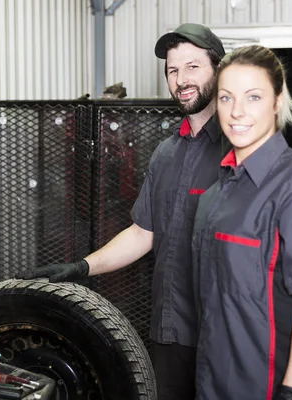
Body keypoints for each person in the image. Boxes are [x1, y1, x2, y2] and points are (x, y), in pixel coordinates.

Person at [18, 23, 228, 399]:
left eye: (193, 67)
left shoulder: (239, 147)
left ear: (218, 69)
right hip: (170, 331)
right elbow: (142, 233)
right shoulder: (166, 154)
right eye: (173, 70)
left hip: (224, 333)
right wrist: (81, 267)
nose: (181, 80)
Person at [191, 44, 292, 400]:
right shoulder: (219, 191)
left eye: (254, 97)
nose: (237, 112)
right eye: (227, 98)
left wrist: (291, 393)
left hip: (272, 386)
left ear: (278, 102)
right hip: (218, 380)